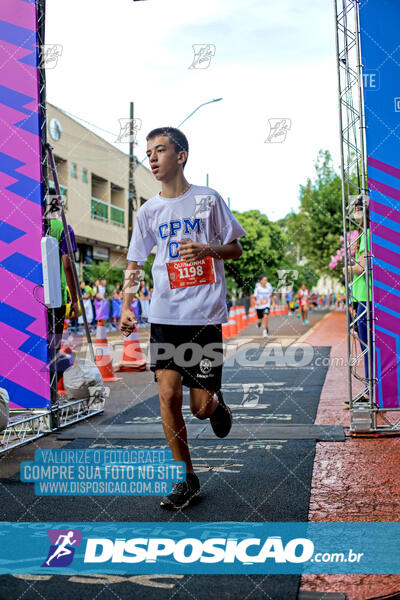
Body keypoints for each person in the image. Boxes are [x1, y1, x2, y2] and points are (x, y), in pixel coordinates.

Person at [120, 126, 246, 510]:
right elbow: (134, 262)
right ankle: (185, 478)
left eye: (161, 150)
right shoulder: (149, 211)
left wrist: (208, 249)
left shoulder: (208, 201)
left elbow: (236, 249)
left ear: (181, 156)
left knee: (198, 407)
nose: (153, 158)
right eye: (149, 152)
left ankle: (217, 404)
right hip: (165, 316)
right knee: (167, 395)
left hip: (204, 315)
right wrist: (127, 303)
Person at [47, 188, 79, 379]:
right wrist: (74, 299)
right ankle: (50, 397)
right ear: (59, 205)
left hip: (29, 296)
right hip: (55, 296)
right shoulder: (63, 228)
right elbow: (67, 265)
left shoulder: (29, 226)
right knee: (53, 348)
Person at [343, 200, 372, 407]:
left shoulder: (367, 235)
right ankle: (369, 389)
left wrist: (347, 269)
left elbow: (362, 266)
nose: (355, 213)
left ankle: (371, 391)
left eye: (358, 209)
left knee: (367, 346)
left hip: (366, 297)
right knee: (367, 346)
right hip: (363, 296)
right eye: (354, 209)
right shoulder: (364, 235)